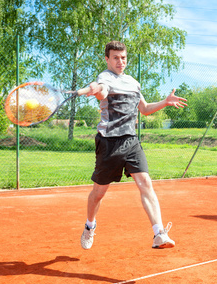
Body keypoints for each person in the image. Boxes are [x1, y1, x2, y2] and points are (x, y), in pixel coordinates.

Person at [80, 40, 187, 250]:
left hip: (131, 140)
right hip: (109, 142)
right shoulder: (105, 77)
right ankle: (89, 225)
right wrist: (95, 89)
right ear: (107, 59)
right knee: (99, 193)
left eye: (124, 58)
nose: (121, 62)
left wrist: (165, 102)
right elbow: (102, 91)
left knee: (145, 183)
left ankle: (159, 234)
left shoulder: (133, 82)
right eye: (116, 58)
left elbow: (145, 109)